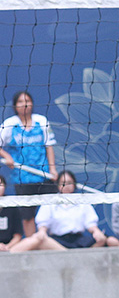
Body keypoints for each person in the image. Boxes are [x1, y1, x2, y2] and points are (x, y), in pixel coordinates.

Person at [0, 90, 57, 238]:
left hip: (44, 175)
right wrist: (7, 156)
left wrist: (52, 169)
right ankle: (32, 243)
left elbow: (49, 146)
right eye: (20, 101)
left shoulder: (41, 121)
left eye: (27, 101)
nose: (24, 104)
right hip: (22, 177)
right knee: (27, 214)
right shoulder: (10, 124)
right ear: (15, 106)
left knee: (50, 209)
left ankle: (49, 242)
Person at [30, 171, 119, 249]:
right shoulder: (50, 201)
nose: (66, 186)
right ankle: (70, 255)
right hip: (57, 241)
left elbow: (90, 223)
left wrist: (96, 231)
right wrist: (42, 232)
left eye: (69, 183)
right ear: (58, 185)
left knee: (106, 240)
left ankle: (73, 256)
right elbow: (43, 223)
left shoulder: (82, 201)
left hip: (78, 240)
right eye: (63, 183)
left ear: (74, 184)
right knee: (38, 241)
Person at [0, 176, 25, 251]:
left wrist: (7, 247)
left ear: (5, 186)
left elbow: (18, 235)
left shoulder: (12, 206)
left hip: (11, 248)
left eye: (0, 184)